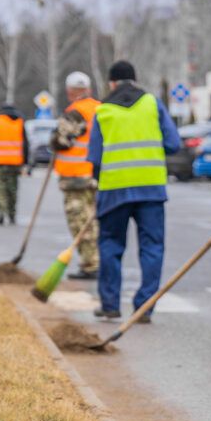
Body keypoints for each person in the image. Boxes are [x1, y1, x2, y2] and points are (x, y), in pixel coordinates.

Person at [87, 61, 180, 321]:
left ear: (112, 83)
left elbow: (94, 158)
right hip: (150, 188)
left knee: (110, 246)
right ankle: (144, 306)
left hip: (114, 189)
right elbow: (173, 143)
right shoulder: (152, 104)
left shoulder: (103, 110)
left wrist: (99, 183)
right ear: (135, 80)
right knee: (152, 248)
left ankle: (110, 305)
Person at [51, 71, 101, 280]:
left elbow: (61, 141)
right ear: (88, 89)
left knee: (80, 222)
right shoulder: (100, 109)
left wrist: (53, 140)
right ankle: (95, 261)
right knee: (93, 219)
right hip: (95, 175)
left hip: (75, 177)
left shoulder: (74, 113)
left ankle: (90, 264)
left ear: (70, 91)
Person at [0, 102, 29, 225]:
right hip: (15, 163)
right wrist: (26, 163)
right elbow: (25, 144)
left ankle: (0, 212)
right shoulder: (20, 122)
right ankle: (12, 214)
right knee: (12, 189)